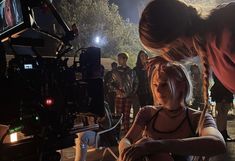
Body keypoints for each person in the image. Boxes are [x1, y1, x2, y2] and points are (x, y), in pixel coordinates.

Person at [118, 59, 226, 161]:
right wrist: (126, 151)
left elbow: (218, 143)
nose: (158, 90)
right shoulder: (147, 113)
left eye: (164, 84)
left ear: (181, 85)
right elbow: (126, 140)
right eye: (155, 85)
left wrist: (155, 146)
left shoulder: (198, 117)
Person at [139, 0, 235, 95]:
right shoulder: (212, 37)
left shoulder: (224, 38)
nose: (165, 53)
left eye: (162, 49)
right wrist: (164, 59)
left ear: (173, 40)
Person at [108, 52, 138, 134]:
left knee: (127, 116)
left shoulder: (131, 72)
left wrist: (133, 92)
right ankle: (117, 133)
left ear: (125, 59)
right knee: (118, 116)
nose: (118, 60)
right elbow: (109, 84)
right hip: (119, 96)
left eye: (120, 58)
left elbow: (136, 82)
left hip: (128, 96)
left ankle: (127, 133)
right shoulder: (115, 72)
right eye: (118, 58)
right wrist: (117, 90)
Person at [210, 73, 234, 141]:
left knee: (223, 113)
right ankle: (221, 133)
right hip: (222, 90)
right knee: (221, 113)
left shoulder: (217, 67)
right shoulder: (219, 68)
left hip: (224, 90)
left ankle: (223, 132)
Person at [133, 50, 153, 118]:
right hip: (140, 93)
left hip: (151, 93)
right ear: (139, 57)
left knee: (151, 110)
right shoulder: (135, 69)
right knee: (143, 110)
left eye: (145, 55)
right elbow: (134, 82)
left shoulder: (151, 68)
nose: (144, 57)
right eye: (142, 56)